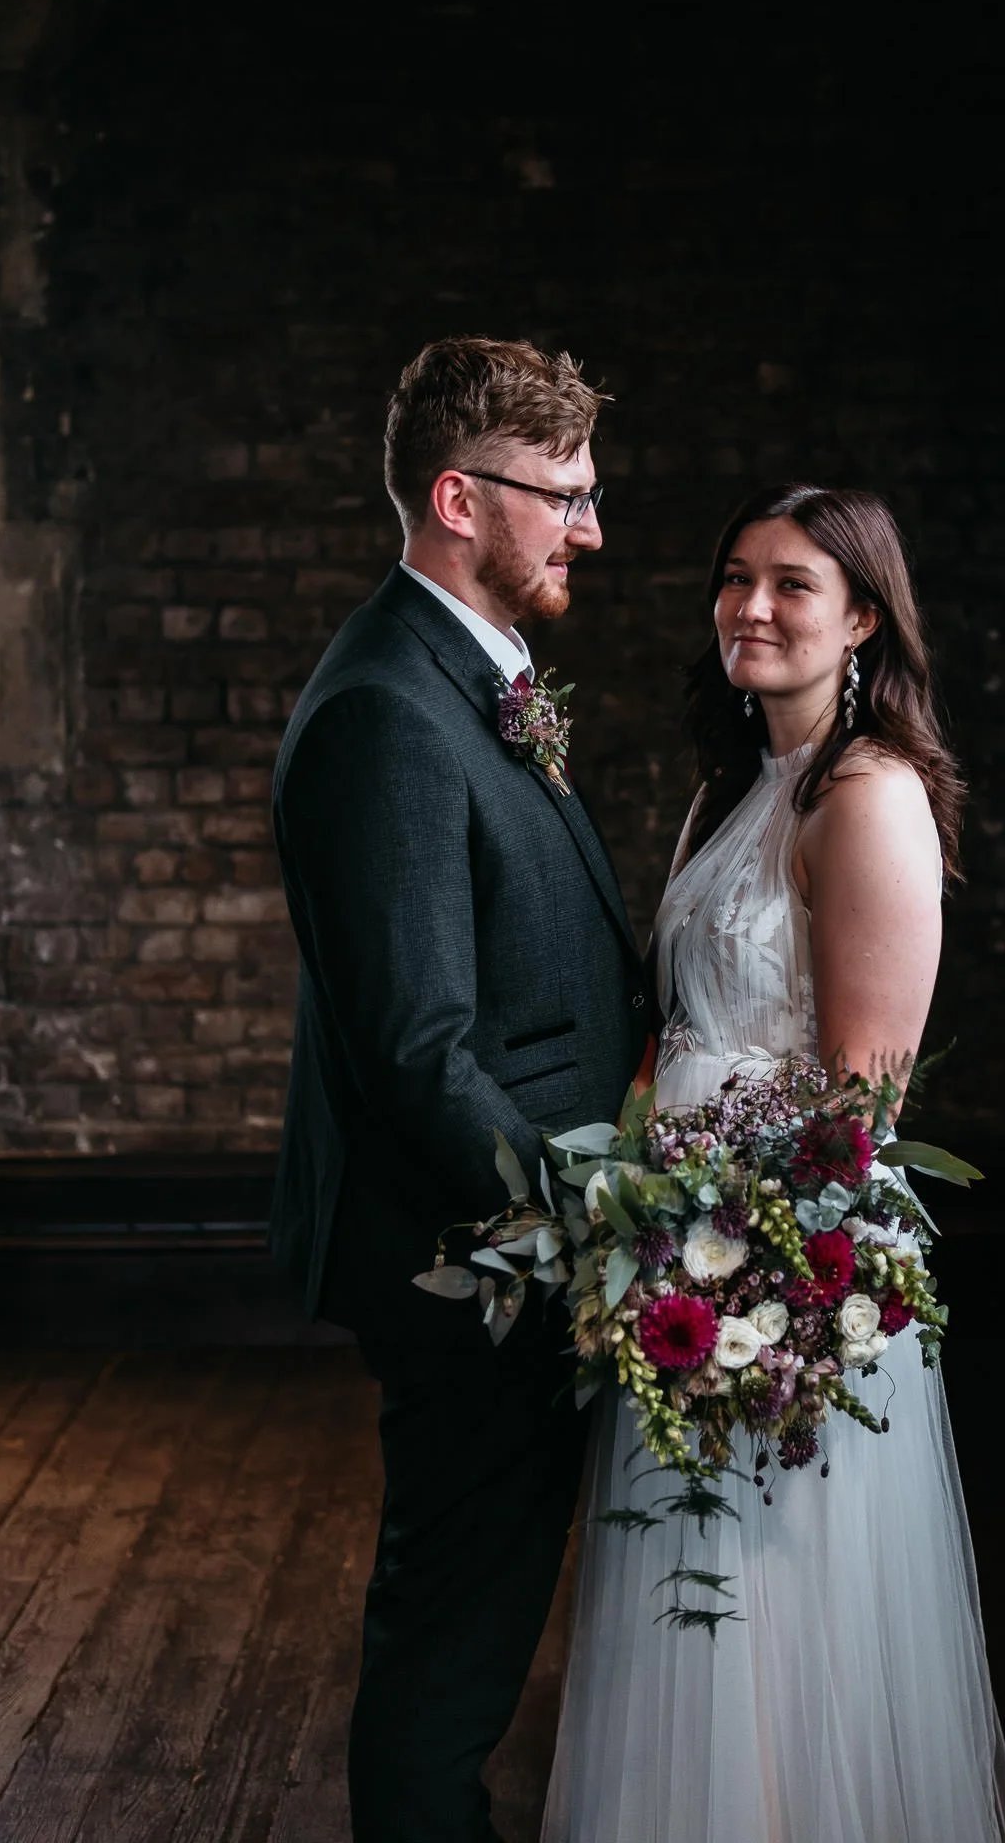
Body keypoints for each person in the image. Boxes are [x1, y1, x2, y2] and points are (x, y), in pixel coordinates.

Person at [543, 482, 1005, 1843]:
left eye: (793, 584)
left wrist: (752, 1287)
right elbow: (681, 1032)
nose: (751, 607)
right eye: (734, 578)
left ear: (862, 616)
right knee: (691, 1611)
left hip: (782, 1268)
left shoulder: (867, 799)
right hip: (678, 1239)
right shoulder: (737, 785)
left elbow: (859, 1106)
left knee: (772, 1610)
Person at [270, 336, 650, 1843]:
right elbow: (420, 1052)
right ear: (455, 497)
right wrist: (593, 1239)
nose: (593, 528)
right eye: (565, 496)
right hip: (474, 1267)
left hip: (521, 1243)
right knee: (448, 1666)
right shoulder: (386, 711)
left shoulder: (471, 674)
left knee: (469, 1645)